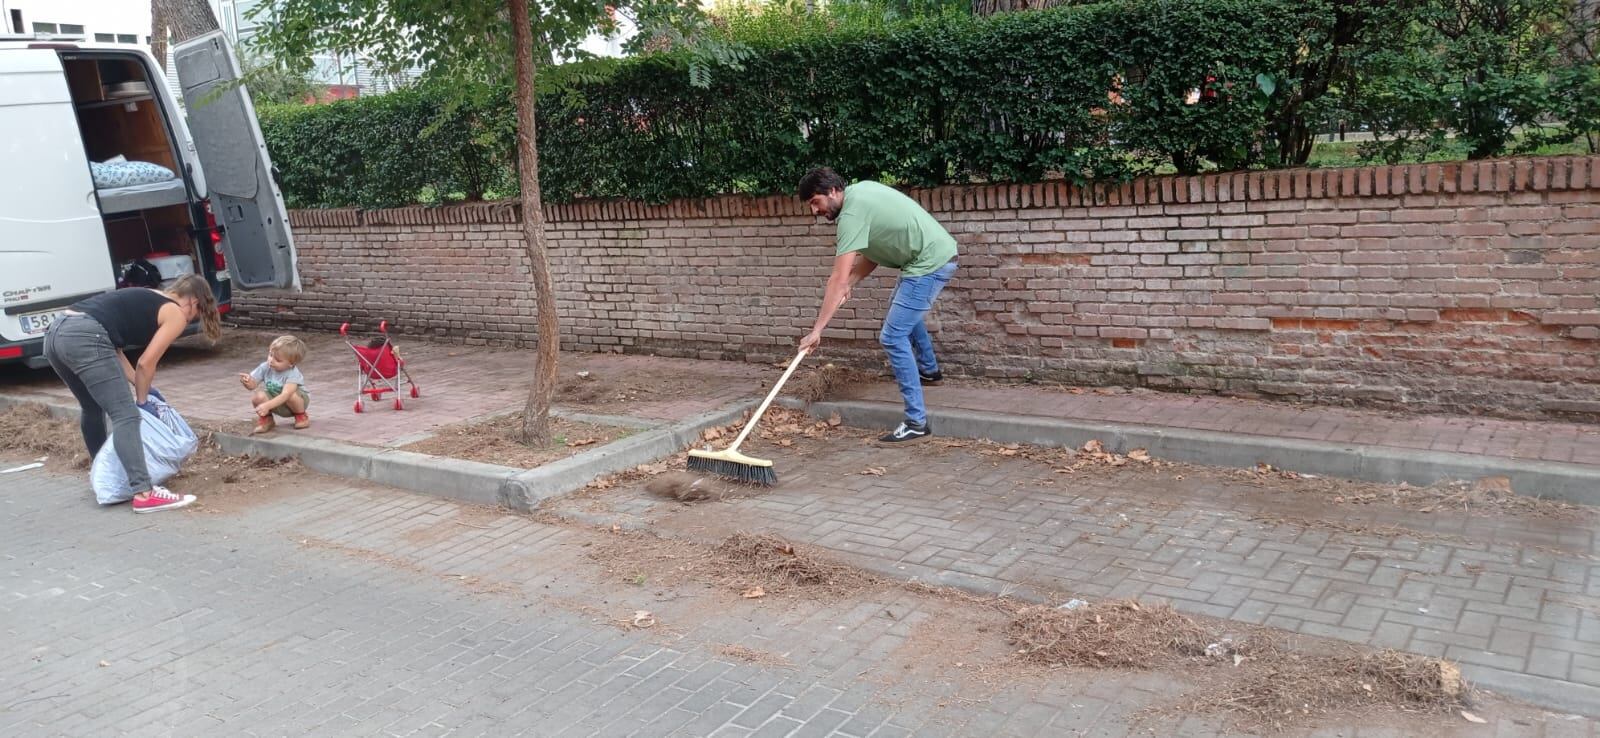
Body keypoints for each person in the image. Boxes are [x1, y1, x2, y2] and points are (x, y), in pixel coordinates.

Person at [797, 167, 959, 444]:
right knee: (902, 314)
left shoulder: (851, 215)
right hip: (926, 259)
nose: (814, 210)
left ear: (833, 191)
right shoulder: (860, 193)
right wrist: (852, 282)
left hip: (929, 264)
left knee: (893, 336)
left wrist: (817, 330)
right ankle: (929, 370)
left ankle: (917, 422)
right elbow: (871, 255)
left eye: (815, 201)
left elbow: (836, 279)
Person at [42, 275, 222, 513]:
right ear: (195, 302)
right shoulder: (175, 312)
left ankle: (102, 475)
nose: (189, 320)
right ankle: (144, 493)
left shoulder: (147, 295)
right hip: (84, 336)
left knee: (92, 407)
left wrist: (141, 386)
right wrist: (142, 399)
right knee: (127, 415)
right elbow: (146, 363)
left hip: (56, 333)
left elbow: (111, 348)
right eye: (196, 315)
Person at [239, 335, 311, 434]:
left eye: (278, 360)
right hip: (276, 401)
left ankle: (301, 416)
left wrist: (267, 405)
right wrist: (247, 381)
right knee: (258, 397)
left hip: (296, 403)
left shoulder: (293, 374)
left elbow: (286, 395)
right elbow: (253, 385)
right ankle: (267, 420)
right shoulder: (265, 367)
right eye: (270, 355)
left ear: (291, 363)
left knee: (291, 395)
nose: (271, 360)